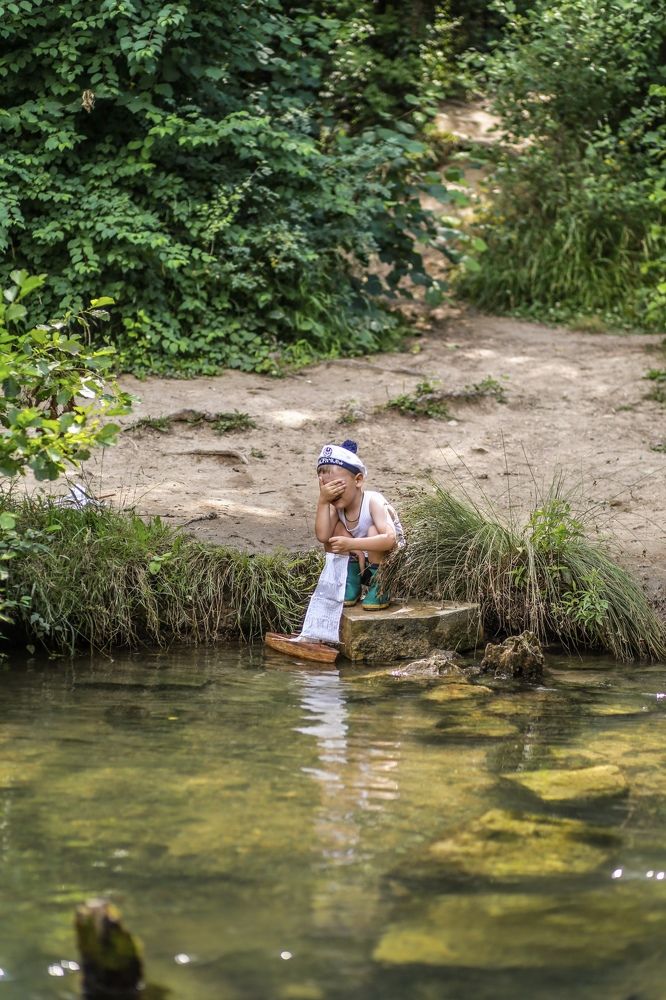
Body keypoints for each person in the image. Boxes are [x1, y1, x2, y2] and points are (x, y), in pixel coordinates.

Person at [315, 440, 404, 610]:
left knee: (373, 530)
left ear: (358, 480)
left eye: (337, 486)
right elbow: (323, 536)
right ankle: (351, 581)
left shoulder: (373, 501)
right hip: (362, 563)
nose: (332, 493)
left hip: (389, 564)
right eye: (326, 488)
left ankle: (381, 587)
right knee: (334, 530)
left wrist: (352, 544)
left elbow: (389, 539)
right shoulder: (335, 507)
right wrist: (323, 502)